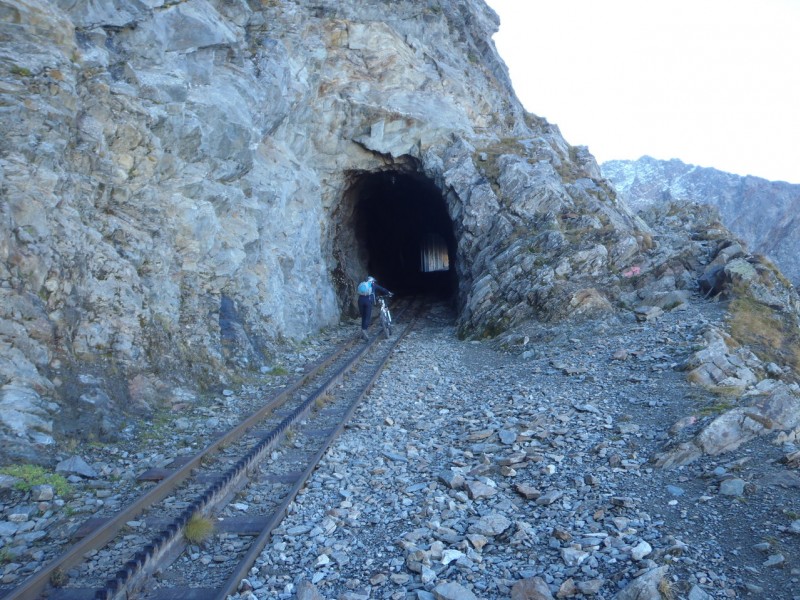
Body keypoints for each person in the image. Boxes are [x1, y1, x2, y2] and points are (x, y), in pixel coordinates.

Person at [357, 276, 391, 340]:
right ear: (372, 281)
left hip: (360, 300)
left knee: (363, 316)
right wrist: (388, 292)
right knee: (367, 317)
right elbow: (382, 289)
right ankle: (364, 331)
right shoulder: (373, 285)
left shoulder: (362, 284)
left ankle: (363, 330)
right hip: (368, 301)